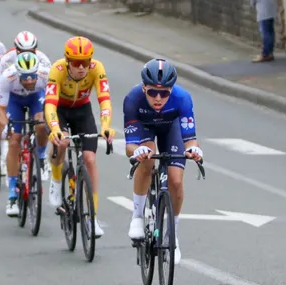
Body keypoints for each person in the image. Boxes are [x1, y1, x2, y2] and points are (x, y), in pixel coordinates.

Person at [123, 58, 203, 266]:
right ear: (144, 88)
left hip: (171, 129)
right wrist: (138, 150)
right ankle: (138, 217)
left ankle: (172, 234)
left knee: (176, 181)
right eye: (152, 92)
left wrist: (193, 149)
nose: (158, 98)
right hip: (145, 127)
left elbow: (190, 139)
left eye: (164, 93)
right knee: (147, 162)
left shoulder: (183, 98)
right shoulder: (133, 99)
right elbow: (129, 147)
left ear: (171, 90)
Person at [44, 36, 114, 238]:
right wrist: (55, 128)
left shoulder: (96, 69)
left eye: (86, 62)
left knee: (90, 159)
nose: (82, 67)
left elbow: (105, 101)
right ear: (67, 62)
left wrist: (106, 126)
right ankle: (56, 181)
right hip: (60, 110)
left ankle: (92, 219)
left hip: (83, 111)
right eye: (76, 63)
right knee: (63, 141)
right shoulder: (57, 70)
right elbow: (49, 104)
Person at [0, 52, 50, 217]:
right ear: (17, 74)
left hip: (36, 98)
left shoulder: (45, 75)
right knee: (14, 141)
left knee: (41, 125)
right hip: (15, 100)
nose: (29, 81)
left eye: (32, 77)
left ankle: (40, 156)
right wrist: (6, 127)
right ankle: (12, 191)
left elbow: (52, 103)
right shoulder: (7, 77)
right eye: (24, 77)